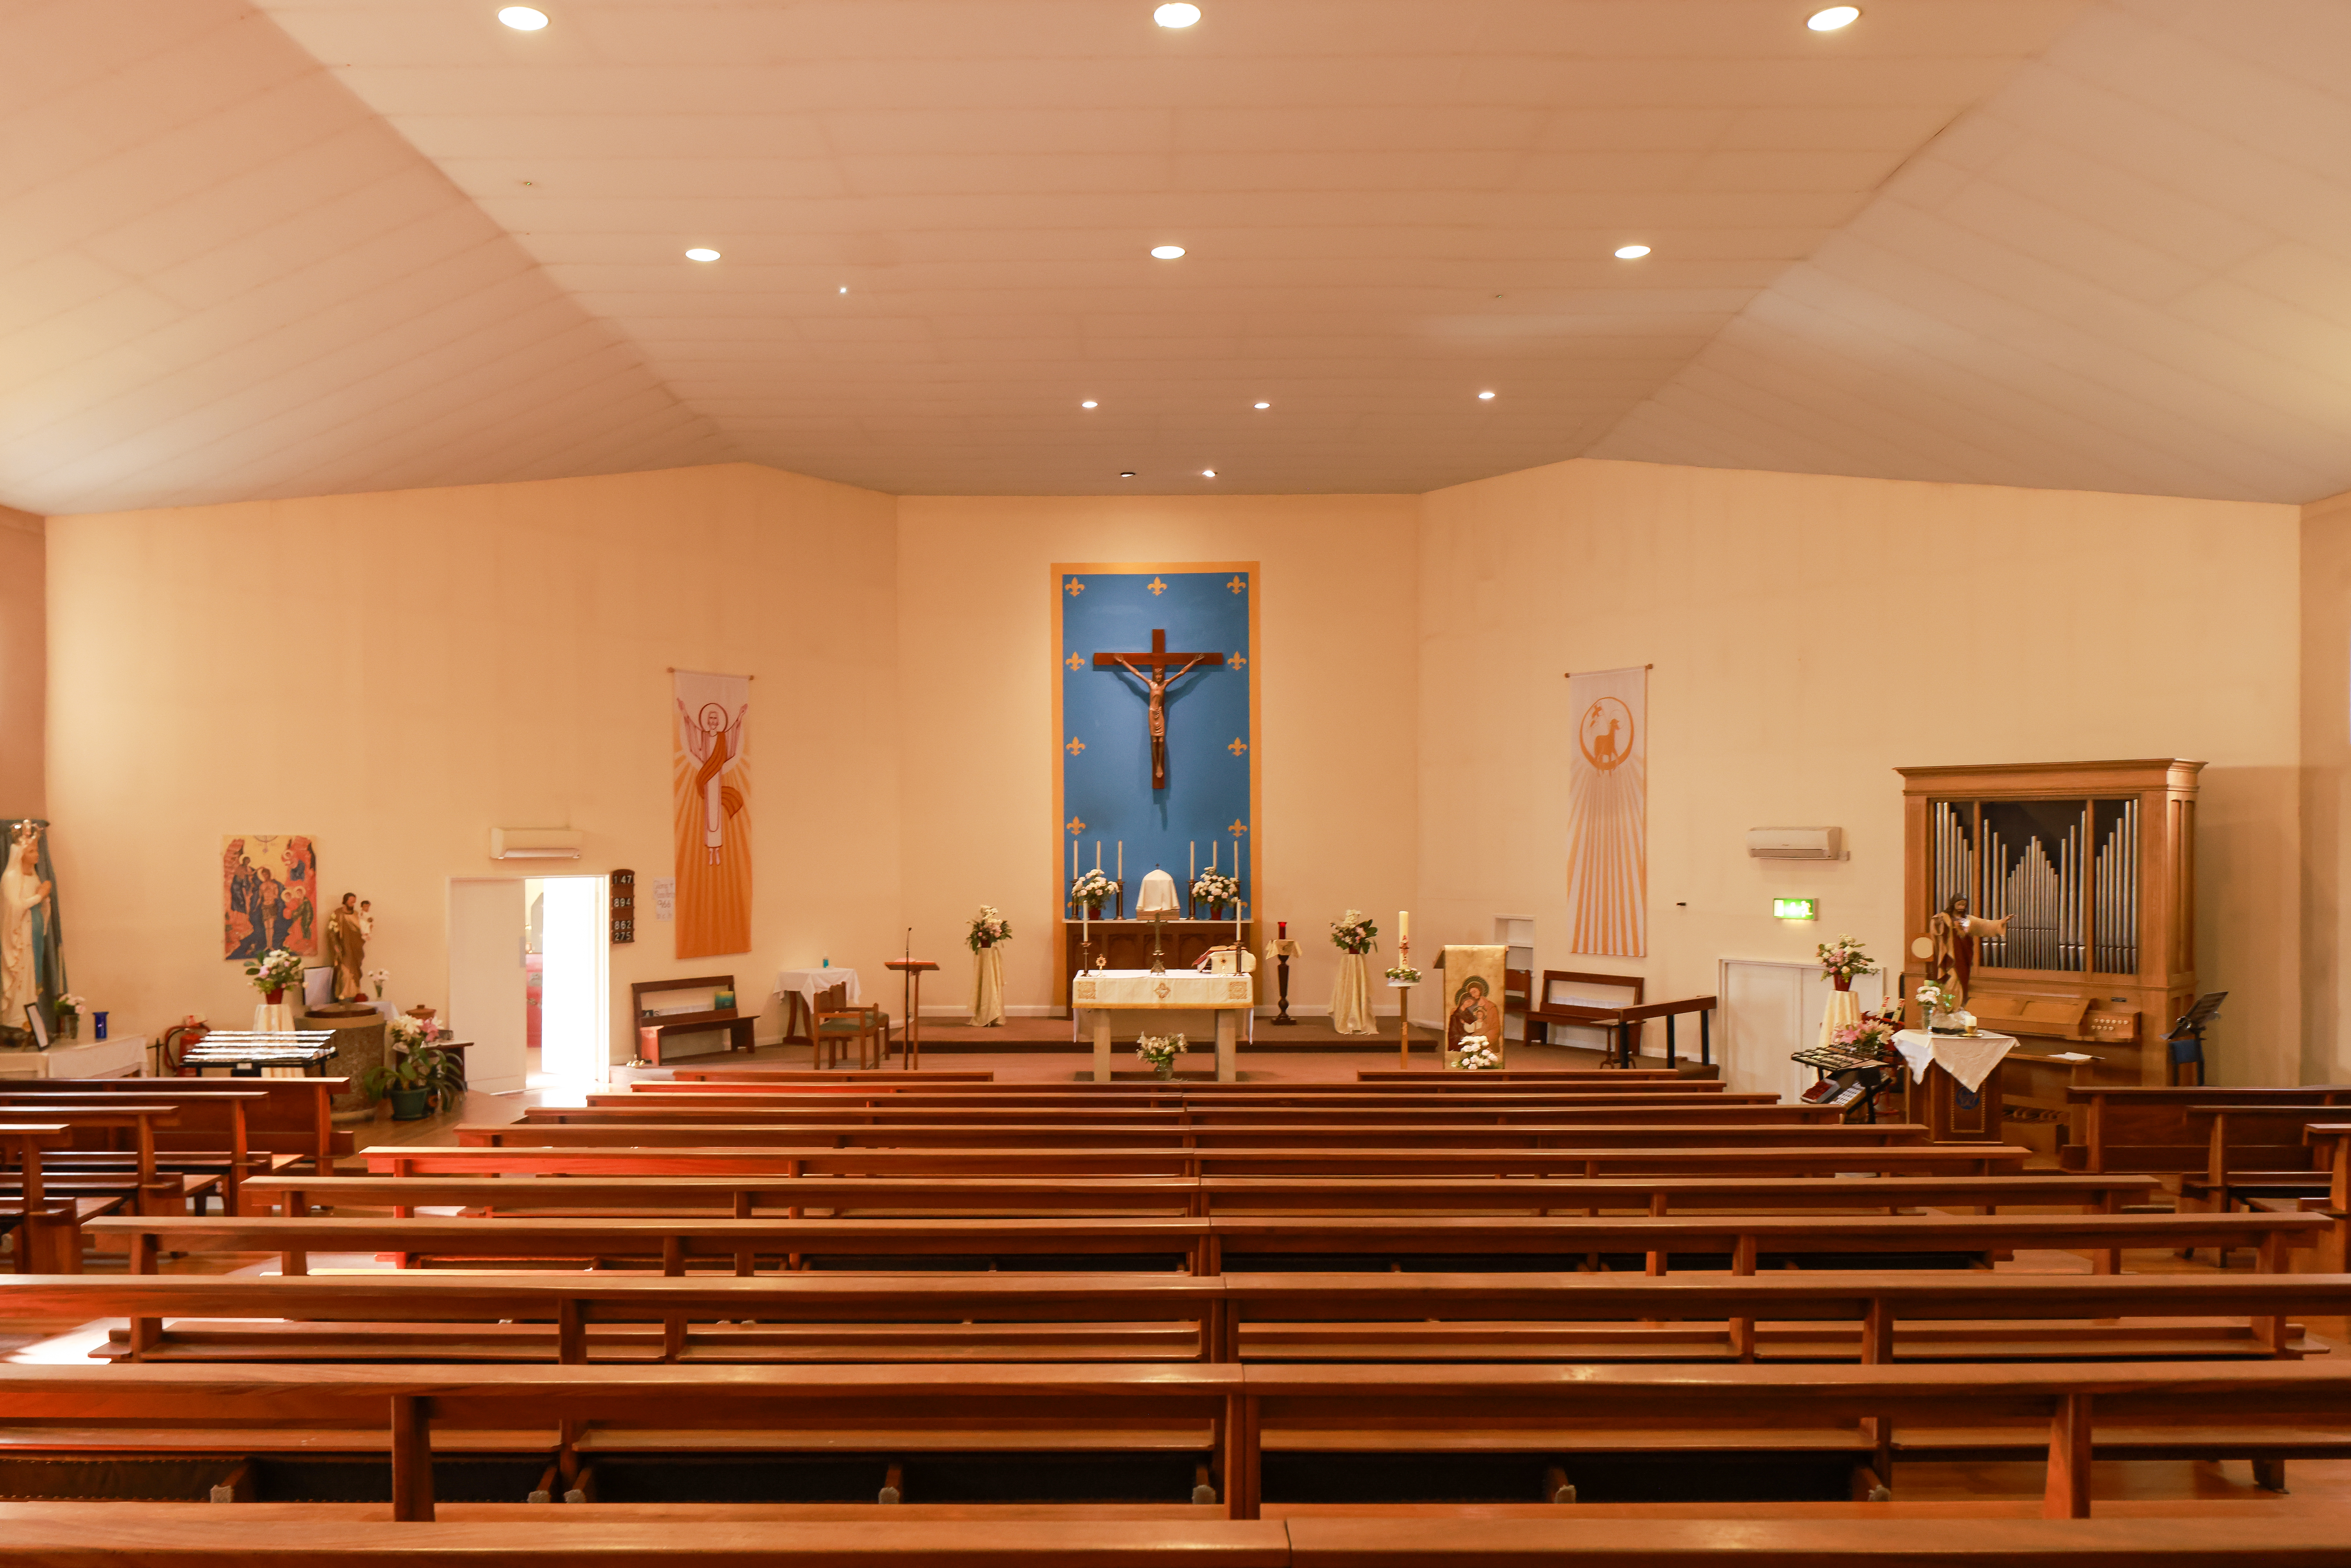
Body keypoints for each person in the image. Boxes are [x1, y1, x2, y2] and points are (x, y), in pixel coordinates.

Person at [1, 829, 51, 1037]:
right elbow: (15, 906)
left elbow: (39, 903)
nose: (37, 854)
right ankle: (15, 1021)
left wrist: (45, 899)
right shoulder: (12, 877)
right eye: (31, 851)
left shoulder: (33, 876)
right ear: (20, 854)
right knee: (21, 975)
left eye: (37, 850)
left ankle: (30, 1021)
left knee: (32, 975)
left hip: (34, 933)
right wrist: (40, 896)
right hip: (19, 936)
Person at [325, 892, 367, 1002]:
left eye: (354, 902)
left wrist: (367, 929)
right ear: (345, 901)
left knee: (356, 972)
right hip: (343, 948)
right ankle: (343, 995)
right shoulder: (338, 914)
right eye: (351, 902)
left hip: (355, 948)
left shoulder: (357, 915)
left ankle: (355, 994)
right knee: (344, 972)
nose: (353, 904)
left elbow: (362, 929)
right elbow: (331, 932)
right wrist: (335, 945)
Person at [1446, 973, 1503, 1054]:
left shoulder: (1490, 1007)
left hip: (1486, 1043)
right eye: (1471, 993)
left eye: (1475, 992)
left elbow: (1495, 1029)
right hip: (1470, 1041)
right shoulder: (1468, 1007)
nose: (1473, 995)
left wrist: (1482, 1042)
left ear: (1481, 991)